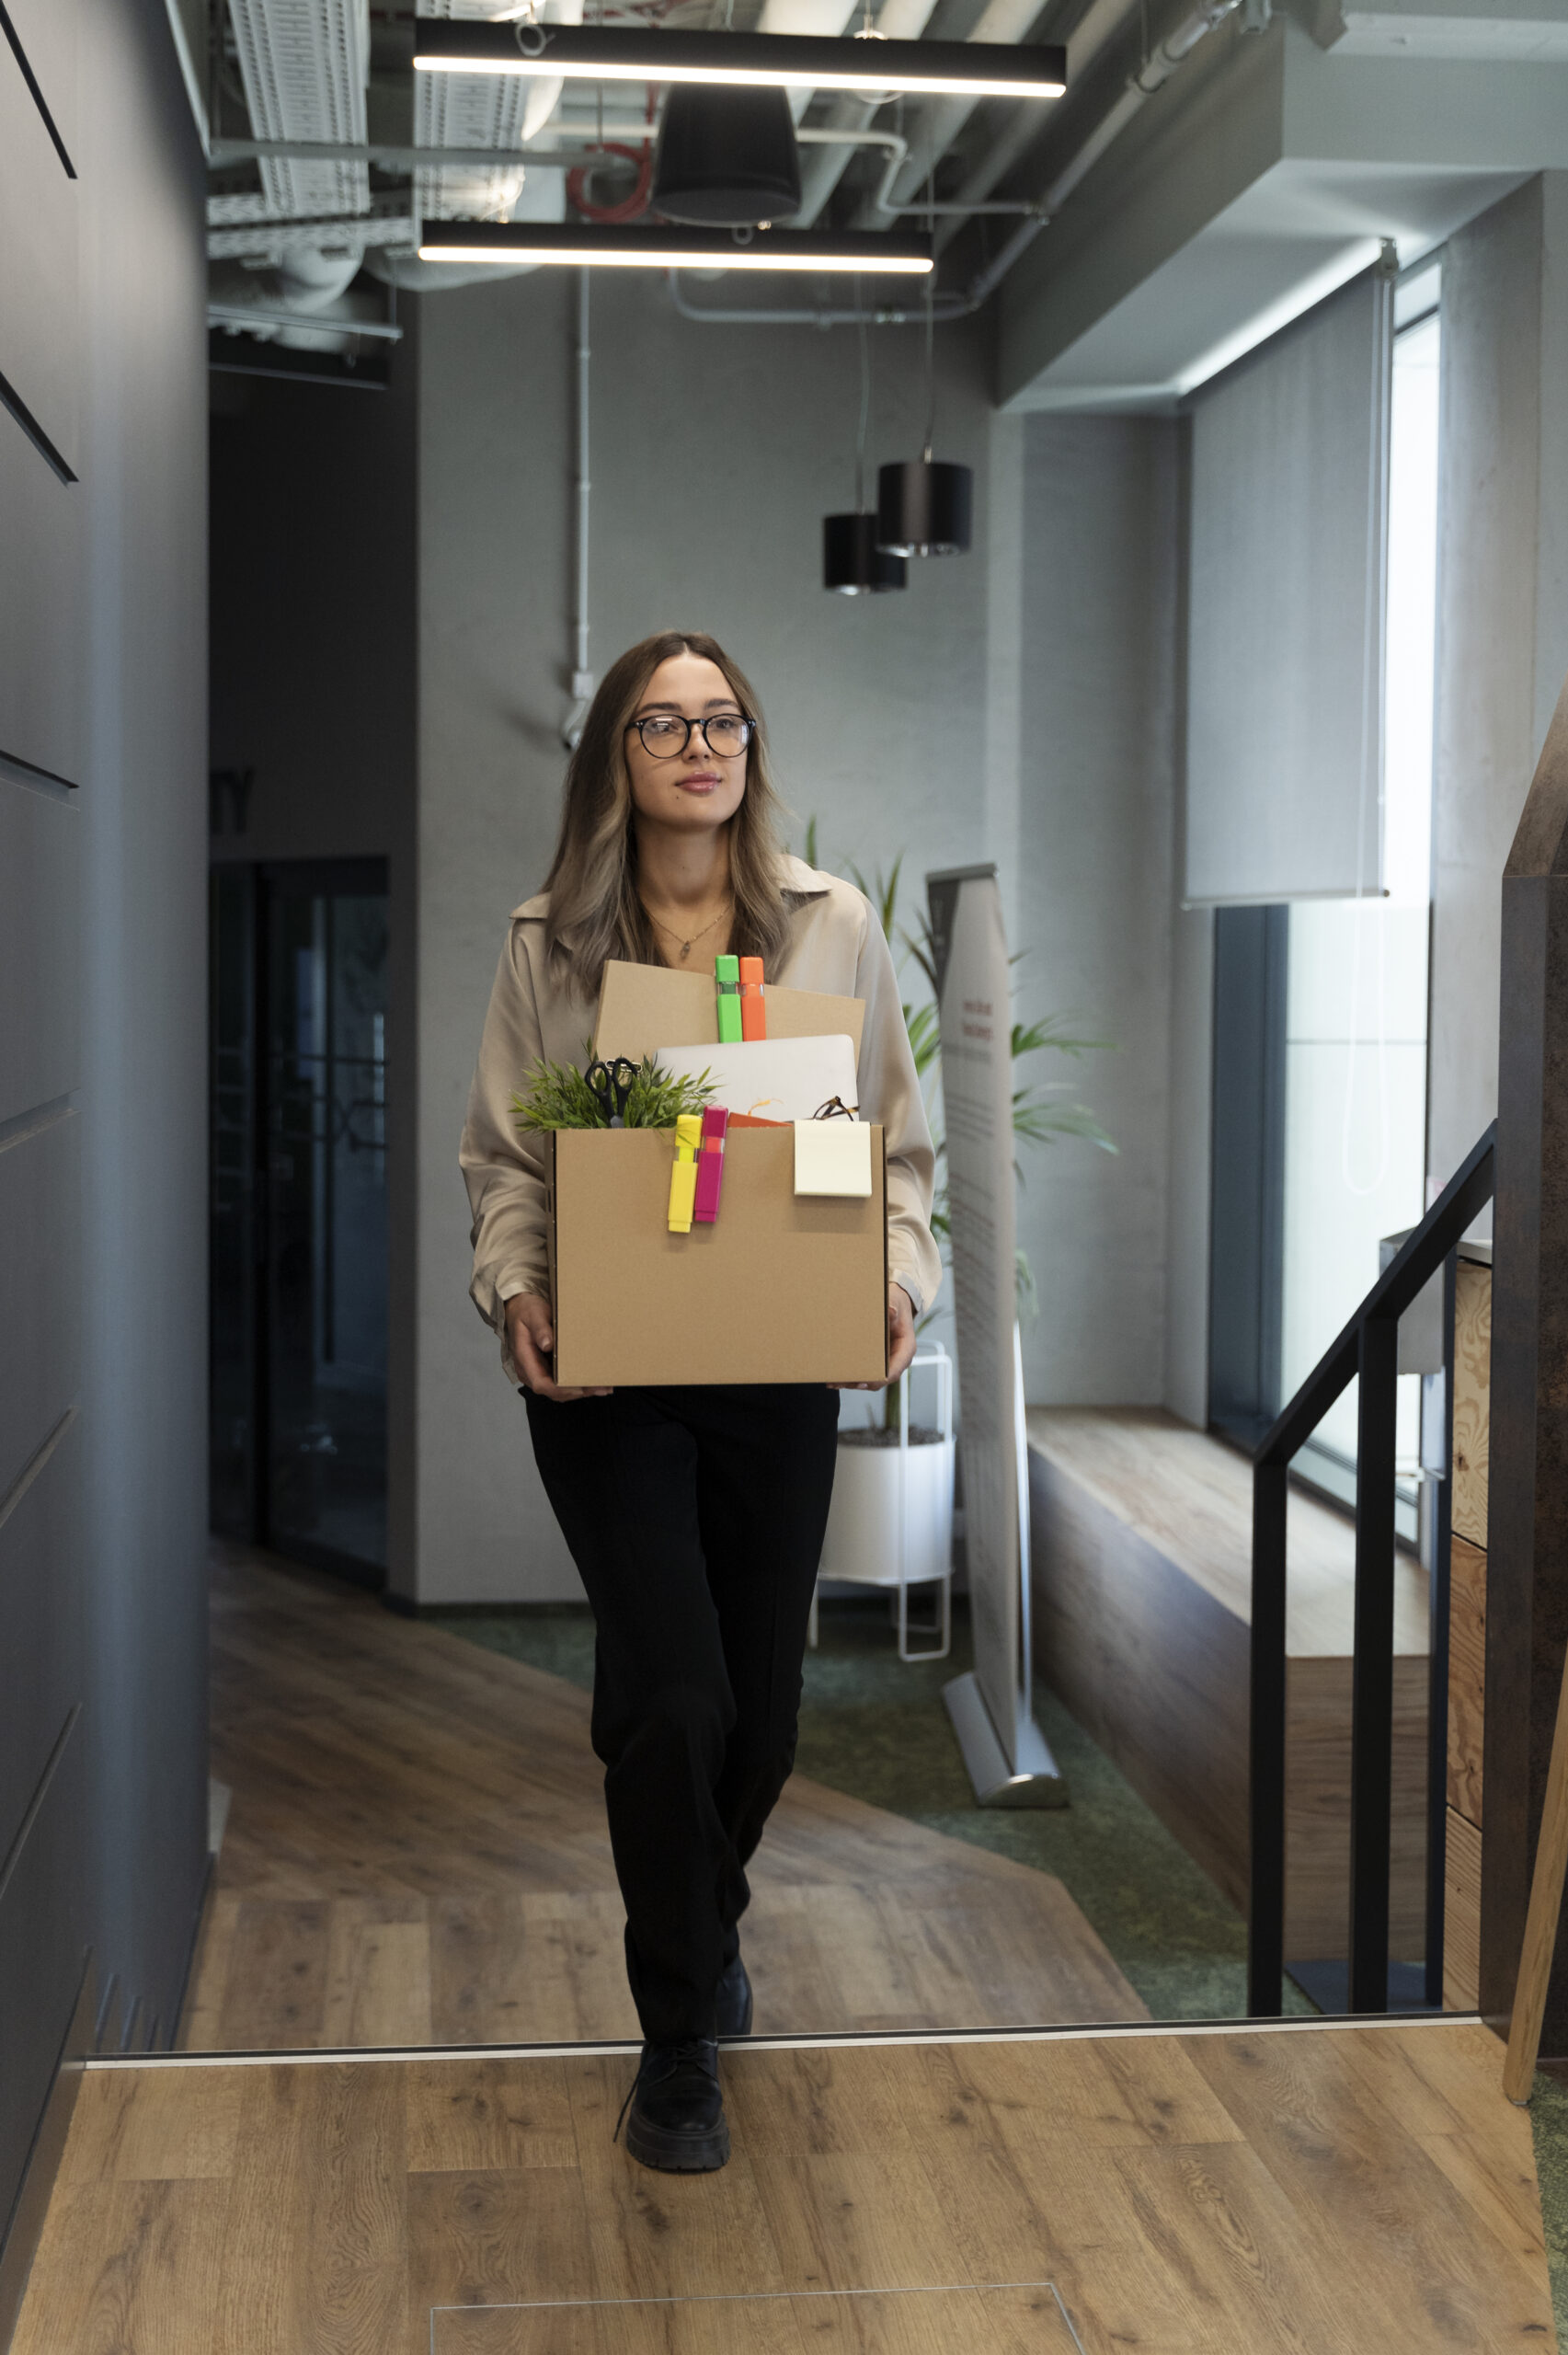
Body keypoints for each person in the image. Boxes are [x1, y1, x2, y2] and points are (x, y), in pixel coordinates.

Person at [460, 629, 941, 2174]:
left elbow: (895, 1155)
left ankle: (701, 1910)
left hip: (776, 1364)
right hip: (607, 1375)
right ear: (617, 752)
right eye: (664, 720)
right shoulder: (551, 941)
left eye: (723, 716)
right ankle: (678, 2042)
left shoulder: (831, 929)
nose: (699, 742)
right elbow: (506, 1166)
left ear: (749, 745)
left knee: (761, 1718)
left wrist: (896, 1283)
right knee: (674, 1698)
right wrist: (520, 1291)